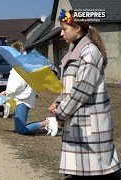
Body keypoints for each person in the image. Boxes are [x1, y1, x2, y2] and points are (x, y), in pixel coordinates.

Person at [48, 10, 121, 179]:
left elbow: (81, 91)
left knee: (96, 172)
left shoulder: (90, 52)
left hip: (90, 125)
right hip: (78, 124)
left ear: (78, 28)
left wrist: (60, 114)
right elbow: (69, 86)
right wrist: (58, 102)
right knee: (83, 172)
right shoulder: (73, 52)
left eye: (64, 29)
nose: (61, 33)